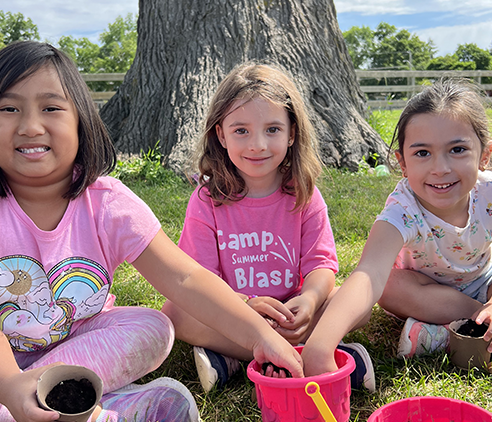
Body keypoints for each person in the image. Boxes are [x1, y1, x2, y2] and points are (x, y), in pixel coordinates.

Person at [0, 42, 305, 422]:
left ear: (81, 121)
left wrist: (260, 336)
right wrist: (7, 385)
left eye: (51, 108)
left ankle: (54, 404)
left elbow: (185, 277)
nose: (31, 126)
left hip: (79, 342)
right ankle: (106, 413)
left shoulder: (109, 202)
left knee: (154, 327)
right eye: (8, 108)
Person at [300, 78, 492, 377]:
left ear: (484, 155)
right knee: (389, 286)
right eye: (422, 153)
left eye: (458, 149)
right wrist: (321, 344)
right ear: (403, 163)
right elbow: (369, 274)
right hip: (430, 294)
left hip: (488, 276)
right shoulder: (403, 209)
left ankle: (444, 336)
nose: (440, 168)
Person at [161, 63, 375, 393]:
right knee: (175, 313)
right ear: (221, 134)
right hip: (233, 312)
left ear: (292, 133)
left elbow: (321, 265)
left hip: (294, 314)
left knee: (353, 304)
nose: (257, 144)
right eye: (241, 130)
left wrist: (309, 299)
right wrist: (245, 304)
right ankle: (318, 357)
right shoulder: (207, 200)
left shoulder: (304, 193)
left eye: (272, 129)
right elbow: (200, 279)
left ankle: (235, 359)